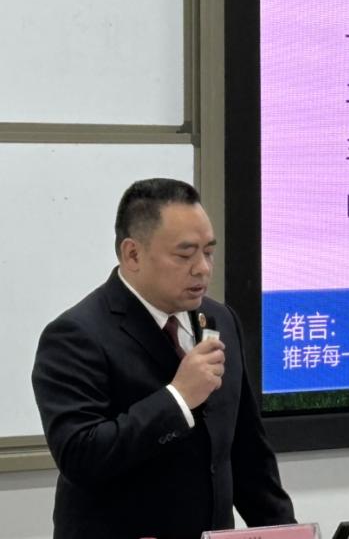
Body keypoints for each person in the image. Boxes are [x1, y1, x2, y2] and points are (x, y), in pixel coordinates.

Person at [32, 178, 296, 539]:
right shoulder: (76, 335)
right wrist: (178, 398)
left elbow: (248, 455)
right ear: (132, 255)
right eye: (185, 255)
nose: (202, 268)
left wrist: (286, 531)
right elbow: (81, 456)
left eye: (208, 252)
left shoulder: (221, 320)